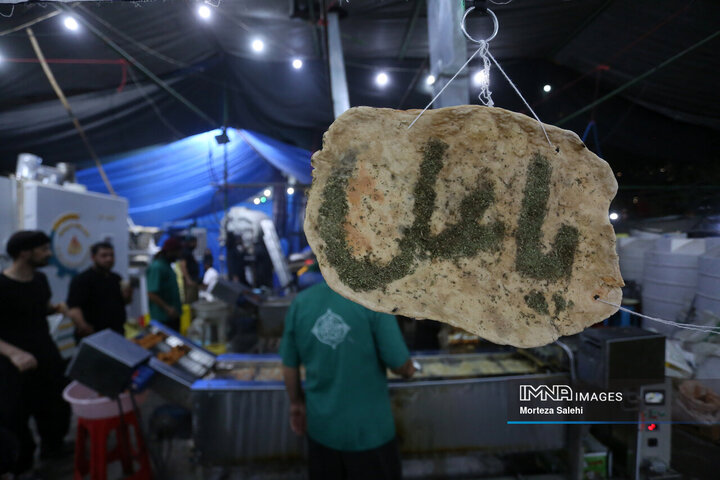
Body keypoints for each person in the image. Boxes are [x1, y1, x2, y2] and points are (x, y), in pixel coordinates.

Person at [281, 281, 415, 480]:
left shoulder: (300, 302)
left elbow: (289, 364)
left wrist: (296, 403)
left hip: (322, 431)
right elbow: (398, 363)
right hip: (370, 432)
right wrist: (409, 369)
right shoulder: (373, 299)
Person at [0, 231, 71, 477]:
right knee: (15, 416)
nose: (49, 254)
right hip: (14, 364)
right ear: (24, 253)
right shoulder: (2, 286)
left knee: (55, 407)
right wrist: (14, 353)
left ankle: (53, 448)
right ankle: (23, 465)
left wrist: (54, 309)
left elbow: (37, 309)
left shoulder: (40, 279)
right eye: (43, 249)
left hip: (46, 354)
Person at [66, 242, 132, 340]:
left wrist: (128, 295)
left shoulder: (116, 278)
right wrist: (83, 327)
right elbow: (73, 308)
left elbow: (124, 302)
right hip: (94, 334)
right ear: (93, 257)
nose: (109, 259)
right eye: (104, 255)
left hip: (116, 332)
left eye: (111, 255)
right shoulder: (82, 279)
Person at [146, 237, 183, 331]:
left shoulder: (167, 266)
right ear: (170, 252)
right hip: (163, 318)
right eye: (177, 252)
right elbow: (151, 293)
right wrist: (167, 309)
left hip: (172, 317)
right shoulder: (157, 267)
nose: (178, 255)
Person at [178, 236, 200, 304]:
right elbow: (183, 265)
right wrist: (188, 279)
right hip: (190, 280)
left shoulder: (189, 252)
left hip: (193, 279)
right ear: (192, 243)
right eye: (196, 242)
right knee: (190, 300)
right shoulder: (185, 252)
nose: (197, 244)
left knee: (194, 300)